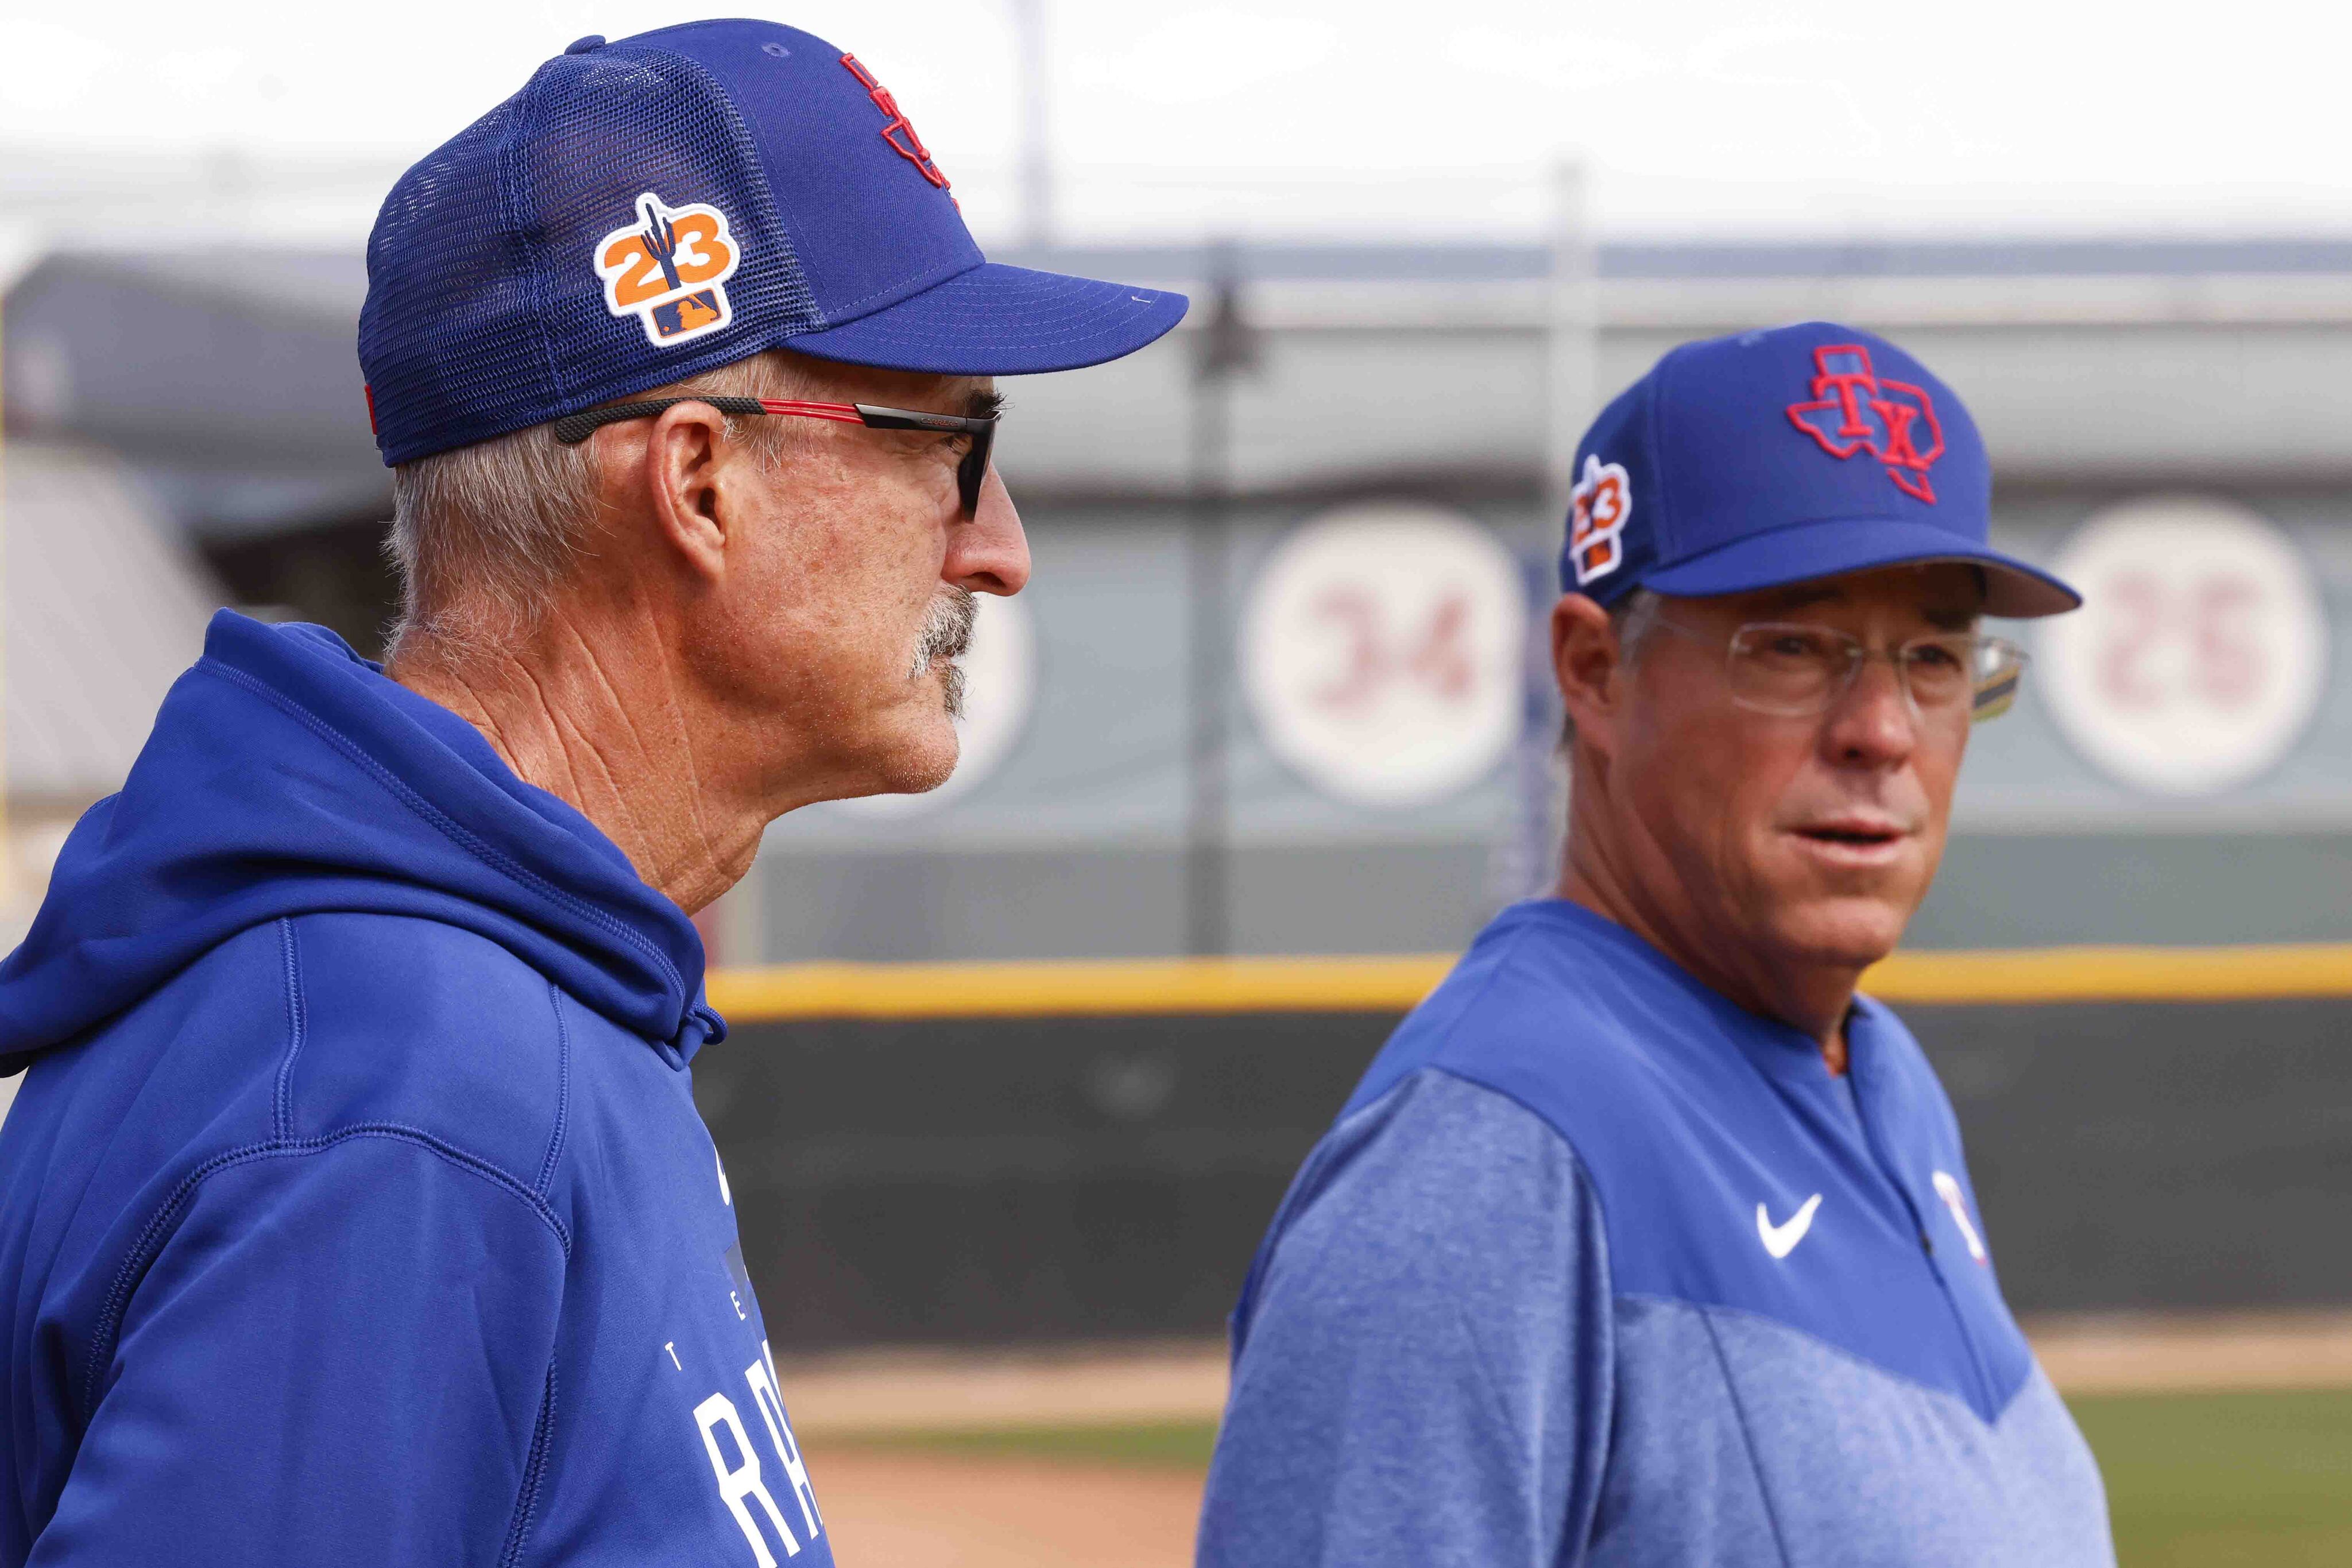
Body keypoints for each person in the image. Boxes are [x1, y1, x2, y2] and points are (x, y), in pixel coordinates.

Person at [0, 20, 1183, 1566]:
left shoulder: (491, 1007)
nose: (996, 545)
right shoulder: (401, 1098)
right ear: (700, 482)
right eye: (955, 445)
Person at [1198, 323, 2114, 1566]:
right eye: (1791, 646)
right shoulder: (1494, 1160)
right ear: (1591, 672)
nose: (1880, 730)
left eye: (1933, 657)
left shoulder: (1878, 1079)